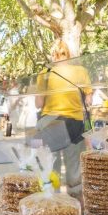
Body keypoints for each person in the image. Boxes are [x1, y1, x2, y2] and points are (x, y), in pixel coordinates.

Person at [34, 40, 92, 201]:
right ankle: (77, 207)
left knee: (52, 166)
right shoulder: (81, 71)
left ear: (53, 54)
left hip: (51, 123)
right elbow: (88, 100)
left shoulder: (45, 72)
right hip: (74, 123)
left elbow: (39, 103)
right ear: (69, 54)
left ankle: (54, 206)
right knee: (74, 168)